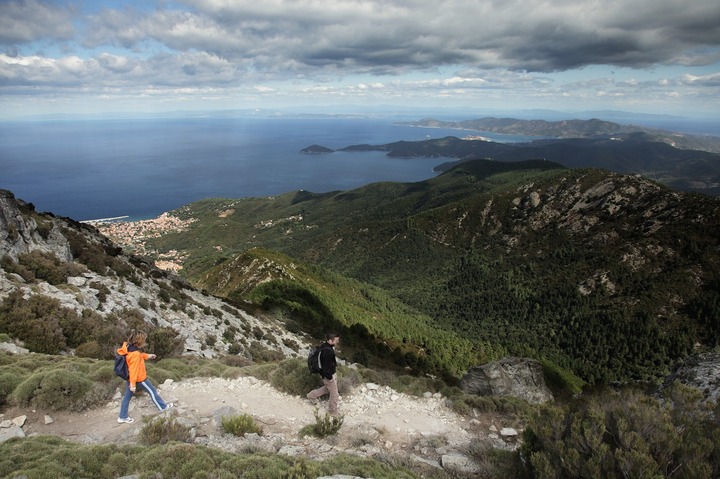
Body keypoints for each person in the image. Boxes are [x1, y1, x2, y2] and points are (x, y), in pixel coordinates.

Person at [117, 330, 173, 424]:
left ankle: (122, 417)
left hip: (130, 379)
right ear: (139, 341)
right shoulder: (135, 354)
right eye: (143, 340)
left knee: (127, 397)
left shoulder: (128, 347)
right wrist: (133, 384)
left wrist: (147, 356)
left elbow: (137, 356)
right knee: (153, 392)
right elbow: (133, 369)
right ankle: (163, 408)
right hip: (139, 379)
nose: (144, 342)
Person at [306, 332, 340, 416]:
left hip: (329, 374)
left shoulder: (325, 346)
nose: (337, 342)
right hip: (328, 375)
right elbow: (325, 368)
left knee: (328, 388)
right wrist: (330, 377)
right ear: (329, 340)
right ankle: (333, 412)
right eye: (336, 340)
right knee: (334, 395)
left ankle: (311, 395)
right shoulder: (328, 352)